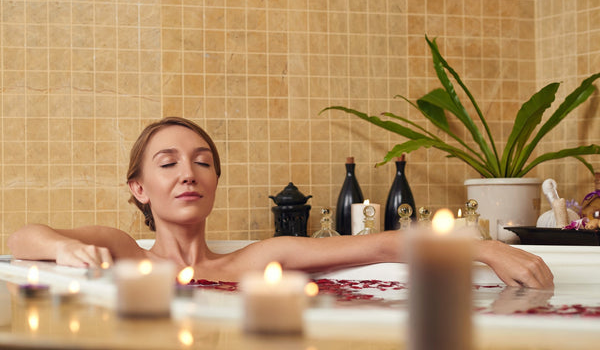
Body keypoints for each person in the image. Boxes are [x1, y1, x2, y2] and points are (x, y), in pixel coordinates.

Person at [7, 117, 554, 288]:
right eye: (167, 162)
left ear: (216, 179)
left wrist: (483, 248)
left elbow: (383, 244)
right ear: (140, 189)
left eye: (202, 161)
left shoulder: (253, 261)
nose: (188, 173)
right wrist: (63, 248)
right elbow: (21, 238)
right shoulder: (123, 252)